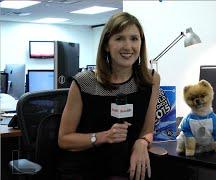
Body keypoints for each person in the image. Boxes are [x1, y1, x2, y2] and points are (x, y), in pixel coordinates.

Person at [58, 12, 160, 180]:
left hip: (127, 169)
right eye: (119, 38)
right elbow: (64, 139)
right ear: (106, 45)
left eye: (134, 38)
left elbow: (147, 130)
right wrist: (103, 136)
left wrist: (143, 142)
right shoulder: (84, 82)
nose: (128, 46)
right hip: (86, 170)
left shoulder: (151, 79)